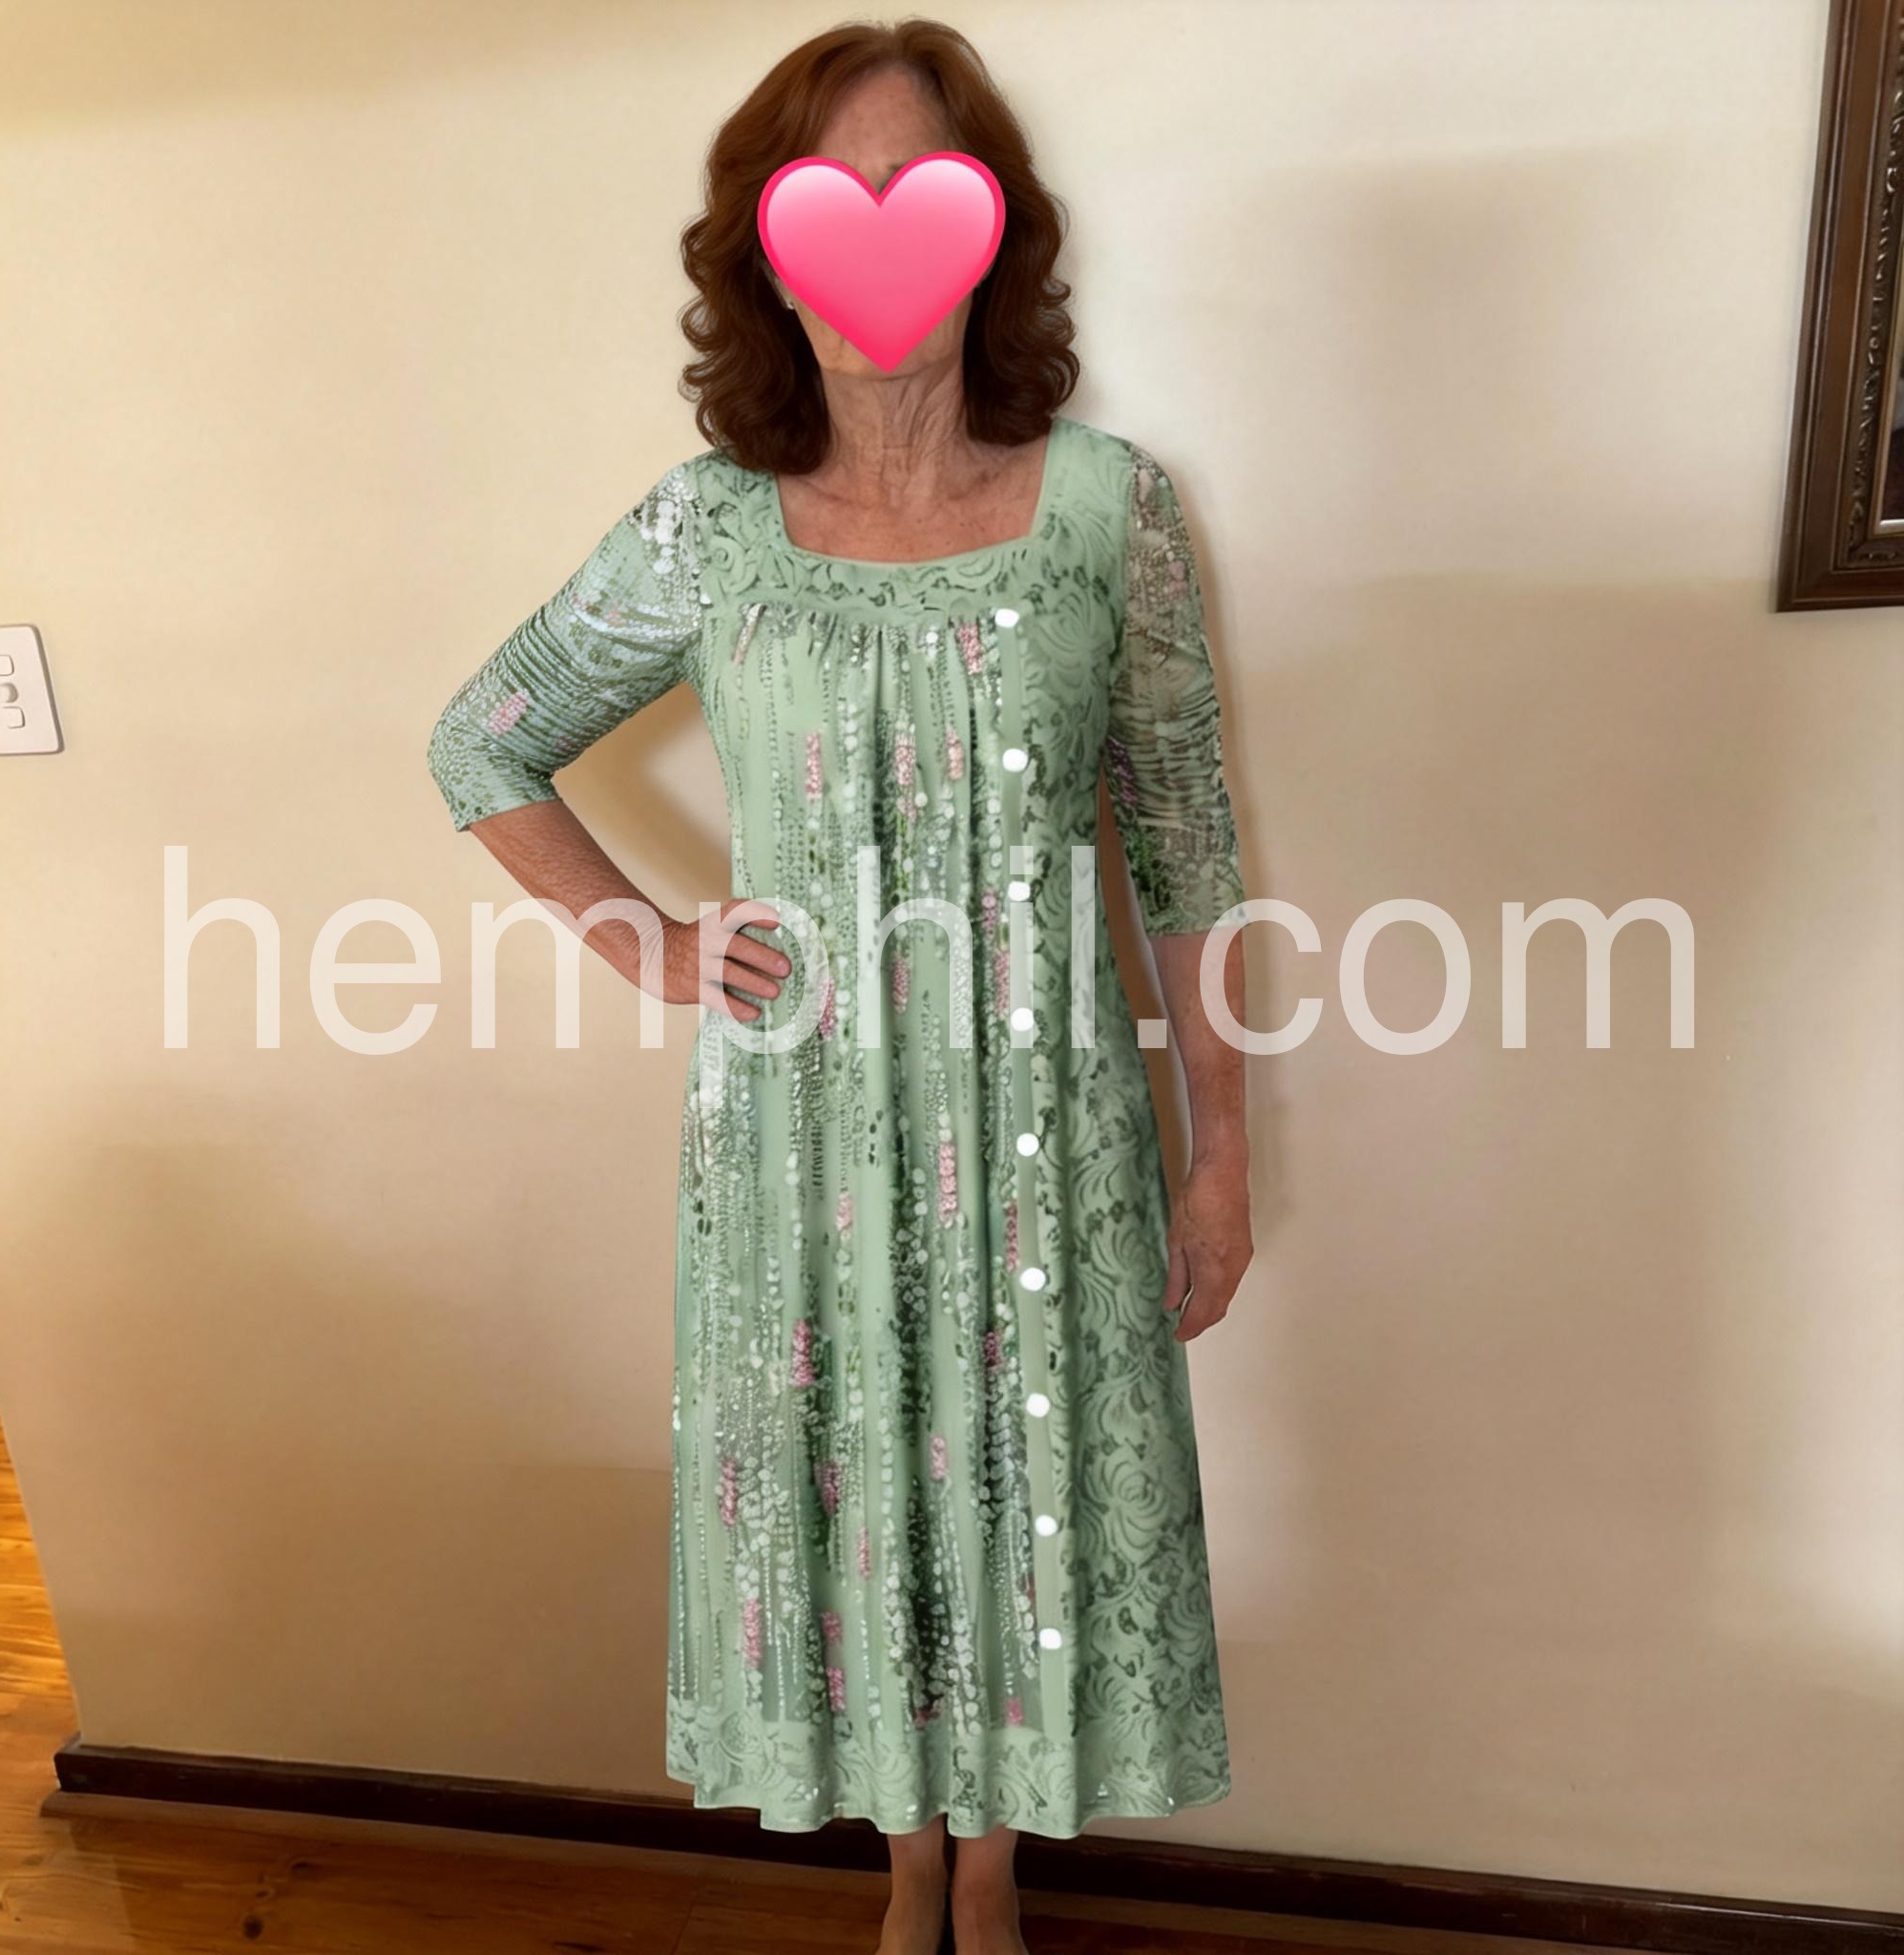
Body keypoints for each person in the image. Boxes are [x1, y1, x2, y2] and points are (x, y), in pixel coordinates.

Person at [425, 19, 1254, 1955]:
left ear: (993, 234)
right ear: (767, 253)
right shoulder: (708, 527)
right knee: (858, 1488)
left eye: (918, 190)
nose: (879, 233)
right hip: (799, 1137)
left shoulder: (1106, 511)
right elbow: (483, 740)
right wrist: (648, 939)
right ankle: (904, 1869)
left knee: (1026, 1497)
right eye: (833, 197)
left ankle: (995, 1874)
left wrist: (1217, 1149)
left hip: (1048, 1138)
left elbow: (1185, 842)